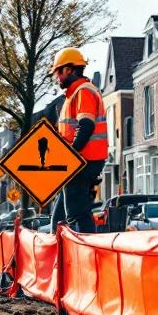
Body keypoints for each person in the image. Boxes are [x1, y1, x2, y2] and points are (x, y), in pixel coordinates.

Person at [49, 47, 107, 233]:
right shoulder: (73, 95)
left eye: (58, 71)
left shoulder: (83, 91)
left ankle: (87, 258)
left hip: (83, 162)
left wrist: (71, 155)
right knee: (60, 218)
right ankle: (58, 256)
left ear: (69, 69)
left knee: (77, 214)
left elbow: (86, 126)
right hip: (81, 162)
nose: (57, 76)